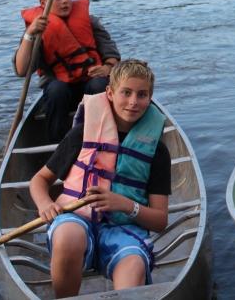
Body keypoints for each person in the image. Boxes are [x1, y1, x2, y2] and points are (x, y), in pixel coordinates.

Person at [29, 59, 170, 297]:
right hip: (76, 219)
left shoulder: (157, 150)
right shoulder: (82, 134)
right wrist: (45, 204)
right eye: (126, 92)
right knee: (67, 237)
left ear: (150, 98)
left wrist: (124, 204)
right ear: (110, 93)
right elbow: (39, 180)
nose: (134, 102)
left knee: (134, 265)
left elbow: (160, 220)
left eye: (142, 94)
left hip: (124, 229)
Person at [15, 0, 120, 142]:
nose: (65, 1)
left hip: (90, 83)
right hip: (59, 91)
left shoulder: (89, 21)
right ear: (43, 2)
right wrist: (30, 33)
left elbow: (111, 52)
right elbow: (21, 70)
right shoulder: (39, 28)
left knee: (100, 83)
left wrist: (108, 67)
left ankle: (103, 140)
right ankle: (59, 146)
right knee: (57, 89)